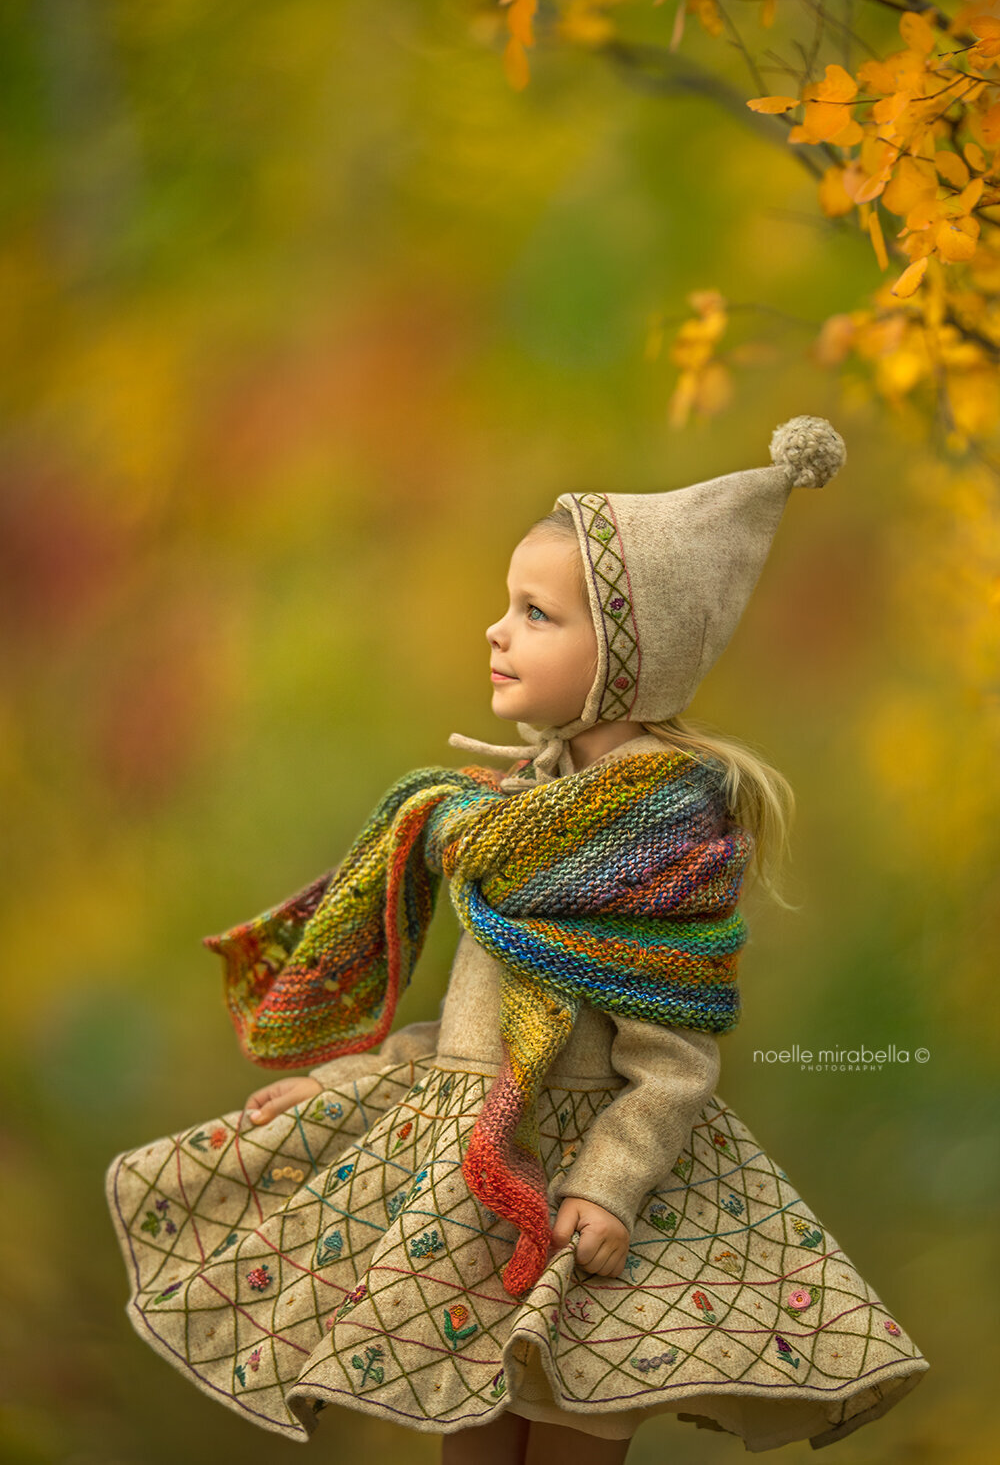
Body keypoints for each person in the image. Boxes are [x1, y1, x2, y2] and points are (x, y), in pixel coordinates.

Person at [104, 418, 929, 1461]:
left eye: (534, 614)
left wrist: (609, 1185)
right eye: (508, 606)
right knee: (472, 1435)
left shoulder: (661, 837)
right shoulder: (510, 824)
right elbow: (472, 1045)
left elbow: (672, 1063)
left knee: (572, 1423)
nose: (496, 632)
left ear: (631, 660)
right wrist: (353, 1078)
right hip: (473, 1193)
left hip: (589, 1203)